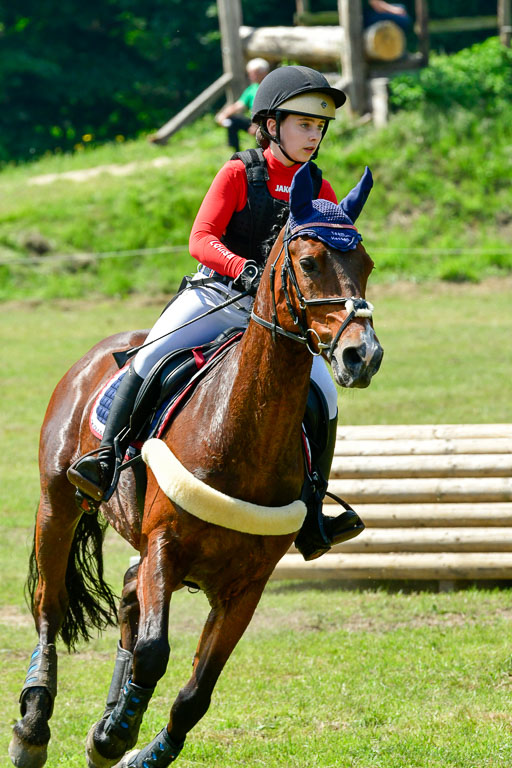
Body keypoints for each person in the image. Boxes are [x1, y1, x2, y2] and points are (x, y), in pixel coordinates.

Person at [68, 65, 364, 561]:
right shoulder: (238, 173)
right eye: (303, 124)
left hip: (278, 319)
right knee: (149, 356)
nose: (313, 136)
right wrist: (241, 268)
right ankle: (105, 458)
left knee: (325, 394)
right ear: (272, 125)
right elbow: (200, 238)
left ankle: (313, 509)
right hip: (217, 297)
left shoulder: (322, 189)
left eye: (319, 128)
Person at [215, 58, 270, 152]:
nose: (251, 76)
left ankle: (262, 154)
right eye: (250, 73)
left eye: (254, 73)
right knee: (232, 121)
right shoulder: (252, 88)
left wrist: (257, 125)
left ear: (264, 73)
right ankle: (235, 150)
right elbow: (238, 105)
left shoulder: (270, 87)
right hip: (253, 120)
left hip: (266, 122)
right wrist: (223, 115)